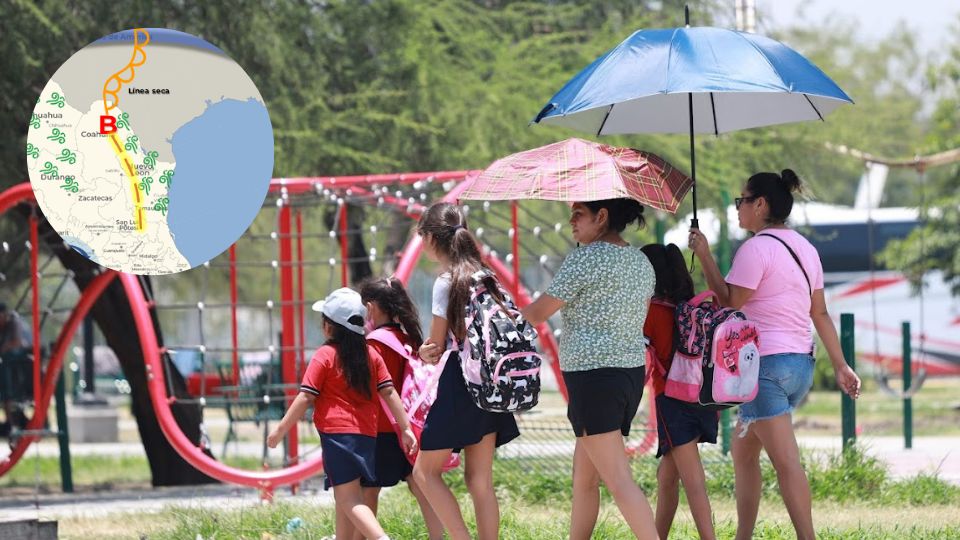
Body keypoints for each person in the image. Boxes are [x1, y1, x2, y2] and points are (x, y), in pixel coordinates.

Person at [687, 169, 861, 540]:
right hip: (799, 366)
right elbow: (820, 313)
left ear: (760, 204)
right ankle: (743, 536)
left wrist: (704, 255)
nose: (738, 210)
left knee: (786, 463)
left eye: (742, 202)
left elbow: (730, 301)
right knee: (744, 453)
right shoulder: (806, 249)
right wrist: (842, 365)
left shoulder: (755, 248)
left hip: (763, 368)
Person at [521, 199, 659, 540]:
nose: (571, 221)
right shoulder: (641, 262)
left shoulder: (584, 258)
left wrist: (498, 315)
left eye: (578, 214)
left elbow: (538, 313)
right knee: (585, 479)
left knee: (619, 481)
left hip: (594, 379)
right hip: (627, 376)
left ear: (602, 217)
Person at [267, 287, 416, 540]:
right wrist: (405, 429)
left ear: (328, 327)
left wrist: (280, 430)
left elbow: (305, 397)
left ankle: (380, 538)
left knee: (347, 498)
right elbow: (389, 393)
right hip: (367, 437)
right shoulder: (371, 355)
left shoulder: (325, 355)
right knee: (350, 494)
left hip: (338, 436)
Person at [414, 202, 520, 540]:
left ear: (431, 238)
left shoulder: (446, 282)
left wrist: (424, 351)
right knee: (480, 480)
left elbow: (436, 346)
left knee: (424, 472)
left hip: (462, 381)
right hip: (491, 382)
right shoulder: (486, 276)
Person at [640, 243, 718, 540]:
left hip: (673, 401)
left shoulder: (653, 310)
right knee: (667, 476)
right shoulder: (693, 308)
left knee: (692, 479)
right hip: (704, 398)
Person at [358, 277, 444, 540]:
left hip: (380, 429)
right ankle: (437, 536)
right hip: (410, 428)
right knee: (420, 485)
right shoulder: (408, 340)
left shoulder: (374, 343)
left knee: (368, 490)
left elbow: (372, 389)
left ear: (371, 308)